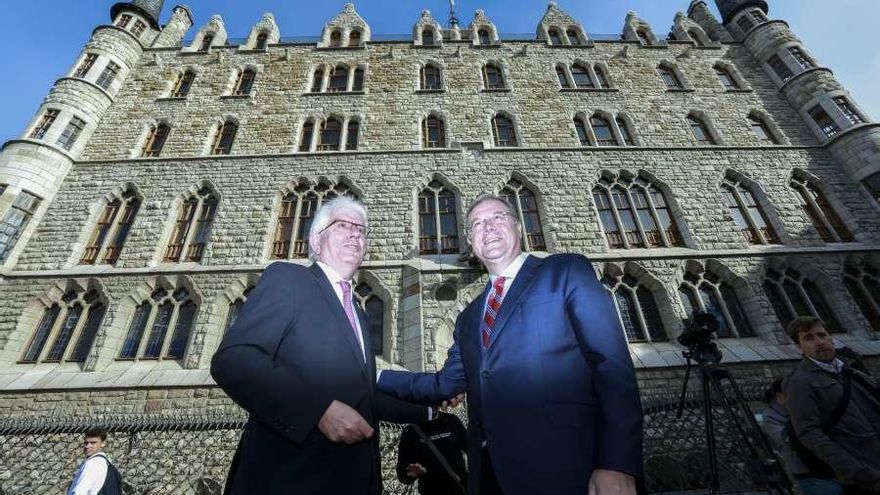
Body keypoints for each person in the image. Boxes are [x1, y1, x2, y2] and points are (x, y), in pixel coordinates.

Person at [378, 194, 643, 495]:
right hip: (492, 477)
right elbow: (443, 385)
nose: (487, 227)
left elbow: (611, 365)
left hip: (570, 468)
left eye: (497, 218)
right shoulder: (468, 317)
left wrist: (618, 462)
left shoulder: (565, 271)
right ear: (470, 241)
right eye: (477, 224)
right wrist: (372, 374)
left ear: (518, 226)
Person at [211, 196, 429, 495]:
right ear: (315, 240)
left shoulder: (359, 313)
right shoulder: (289, 279)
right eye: (343, 225)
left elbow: (364, 396)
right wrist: (317, 411)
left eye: (361, 229)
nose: (356, 233)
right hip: (291, 480)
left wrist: (431, 403)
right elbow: (235, 360)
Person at [784, 316, 880, 495]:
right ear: (799, 347)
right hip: (864, 478)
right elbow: (809, 433)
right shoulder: (800, 382)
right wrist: (858, 472)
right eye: (809, 338)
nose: (819, 342)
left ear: (830, 338)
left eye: (822, 335)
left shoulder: (852, 372)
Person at [760, 378, 842, 495]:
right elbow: (787, 439)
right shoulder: (771, 417)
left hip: (828, 464)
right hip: (805, 469)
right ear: (780, 396)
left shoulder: (802, 407)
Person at [396, 410, 468, 495]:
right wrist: (413, 474)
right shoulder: (410, 432)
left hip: (460, 488)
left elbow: (472, 451)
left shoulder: (451, 420)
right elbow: (402, 475)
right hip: (431, 490)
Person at [67, 428, 122, 495]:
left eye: (93, 443)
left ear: (103, 443)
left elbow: (80, 491)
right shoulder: (106, 463)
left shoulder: (94, 463)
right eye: (86, 443)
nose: (88, 446)